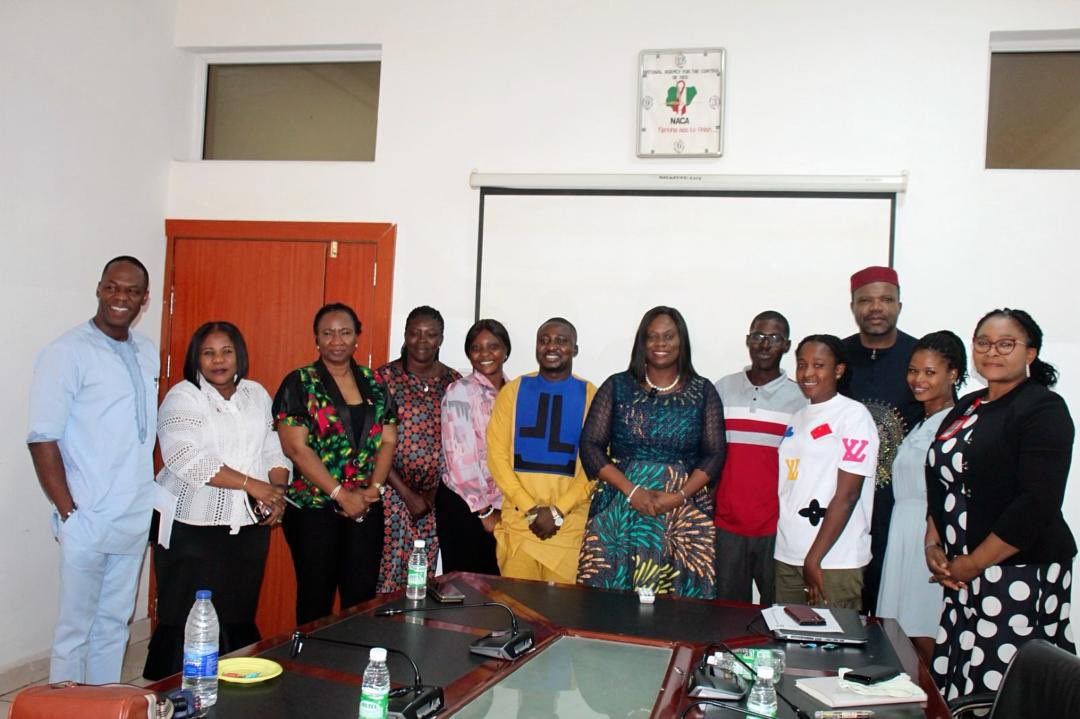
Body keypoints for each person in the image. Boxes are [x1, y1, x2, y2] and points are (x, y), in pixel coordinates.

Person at [926, 309, 1075, 699]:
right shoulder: (968, 407)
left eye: (1006, 344)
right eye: (983, 342)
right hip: (963, 575)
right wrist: (933, 545)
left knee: (1006, 682)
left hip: (1017, 573)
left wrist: (973, 563)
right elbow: (943, 482)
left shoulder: (1043, 408)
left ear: (1030, 353)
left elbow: (1036, 503)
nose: (992, 351)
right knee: (962, 677)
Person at [27, 256, 159, 684]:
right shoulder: (66, 352)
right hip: (86, 514)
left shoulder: (146, 351)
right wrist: (69, 511)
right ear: (100, 288)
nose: (122, 298)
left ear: (144, 298)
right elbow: (42, 438)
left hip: (133, 514)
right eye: (113, 287)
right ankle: (64, 709)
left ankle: (103, 705)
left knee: (113, 625)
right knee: (74, 630)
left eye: (132, 291)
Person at [142, 322, 290, 679]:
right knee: (186, 615)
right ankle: (175, 694)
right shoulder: (183, 396)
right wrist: (253, 486)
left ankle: (232, 690)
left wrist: (277, 492)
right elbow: (185, 458)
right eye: (209, 352)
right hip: (190, 526)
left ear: (240, 356)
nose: (218, 360)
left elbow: (274, 449)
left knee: (237, 612)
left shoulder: (256, 394)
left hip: (247, 526)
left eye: (227, 351)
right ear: (197, 358)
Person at [577, 306, 725, 598]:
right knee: (608, 608)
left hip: (683, 512)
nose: (660, 344)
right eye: (652, 337)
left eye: (668, 336)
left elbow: (715, 453)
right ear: (641, 343)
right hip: (620, 507)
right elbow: (590, 446)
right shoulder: (617, 386)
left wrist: (679, 495)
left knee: (680, 613)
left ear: (681, 341)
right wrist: (632, 491)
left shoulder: (703, 390)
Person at [274, 303, 397, 625]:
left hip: (367, 507)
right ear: (316, 339)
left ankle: (354, 666)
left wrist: (375, 489)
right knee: (316, 598)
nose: (336, 340)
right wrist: (341, 494)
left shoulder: (375, 382)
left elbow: (388, 439)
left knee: (361, 598)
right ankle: (309, 668)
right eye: (327, 333)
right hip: (315, 507)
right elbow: (296, 449)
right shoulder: (299, 382)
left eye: (345, 332)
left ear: (357, 337)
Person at [876, 331, 966, 665]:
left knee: (924, 628)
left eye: (930, 372)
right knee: (899, 633)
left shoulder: (957, 423)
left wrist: (936, 539)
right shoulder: (920, 422)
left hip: (930, 535)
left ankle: (934, 706)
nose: (917, 379)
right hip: (901, 531)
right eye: (913, 371)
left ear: (952, 374)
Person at [487, 318, 596, 584]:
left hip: (568, 527)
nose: (552, 347)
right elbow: (497, 455)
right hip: (521, 522)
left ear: (575, 349)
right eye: (544, 340)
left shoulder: (592, 395)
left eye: (561, 341)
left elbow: (596, 463)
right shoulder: (512, 391)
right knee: (519, 612)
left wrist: (559, 510)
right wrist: (530, 508)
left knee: (562, 614)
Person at [775, 335, 879, 610]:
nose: (808, 373)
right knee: (789, 646)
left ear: (839, 370)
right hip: (789, 553)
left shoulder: (853, 416)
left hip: (833, 560)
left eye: (819, 365)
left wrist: (814, 558)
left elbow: (848, 495)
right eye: (802, 364)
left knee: (833, 648)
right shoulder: (798, 417)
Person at [842, 265, 921, 612]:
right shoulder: (837, 357)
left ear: (899, 305)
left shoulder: (919, 357)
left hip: (900, 507)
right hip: (844, 502)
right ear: (853, 306)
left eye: (886, 299)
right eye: (866, 300)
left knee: (897, 608)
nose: (876, 308)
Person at [713, 311, 806, 604]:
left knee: (779, 613)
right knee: (726, 614)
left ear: (788, 345)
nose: (765, 344)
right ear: (748, 341)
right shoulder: (723, 389)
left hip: (776, 527)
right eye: (759, 336)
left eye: (775, 338)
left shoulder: (801, 399)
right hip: (726, 526)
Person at [376, 306, 460, 592]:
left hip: (434, 499)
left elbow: (458, 444)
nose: (422, 340)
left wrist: (430, 494)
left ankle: (413, 635)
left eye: (430, 334)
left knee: (421, 579)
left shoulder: (453, 383)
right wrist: (407, 494)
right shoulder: (382, 379)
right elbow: (372, 443)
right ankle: (382, 635)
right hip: (389, 494)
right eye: (415, 333)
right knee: (384, 577)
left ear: (441, 339)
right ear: (405, 335)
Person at [438, 319, 512, 575]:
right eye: (476, 348)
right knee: (465, 593)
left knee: (499, 591)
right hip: (467, 506)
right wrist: (485, 511)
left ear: (506, 351)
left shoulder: (514, 392)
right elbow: (459, 458)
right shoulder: (460, 391)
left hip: (505, 507)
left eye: (493, 346)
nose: (485, 354)